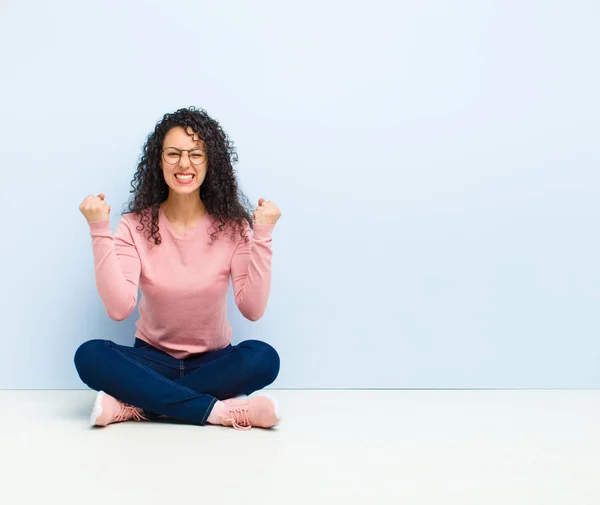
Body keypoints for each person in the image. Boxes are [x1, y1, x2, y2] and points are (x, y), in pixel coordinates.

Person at [74, 106, 282, 431]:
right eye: (173, 153)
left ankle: (137, 404)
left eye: (195, 154)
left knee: (263, 358)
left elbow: (252, 309)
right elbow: (118, 309)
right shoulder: (134, 225)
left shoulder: (234, 227)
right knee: (89, 355)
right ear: (159, 161)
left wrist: (263, 236)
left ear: (210, 162)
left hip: (214, 362)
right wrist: (99, 229)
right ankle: (219, 412)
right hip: (151, 360)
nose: (184, 164)